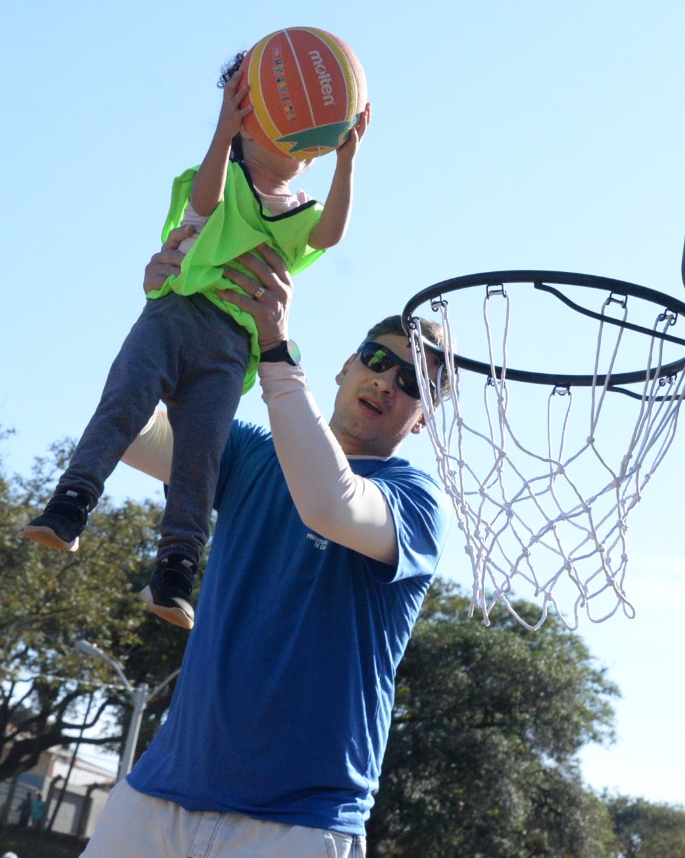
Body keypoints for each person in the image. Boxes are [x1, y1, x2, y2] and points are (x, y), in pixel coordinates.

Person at [77, 236, 449, 858]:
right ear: (344, 367)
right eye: (376, 359)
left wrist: (276, 352)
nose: (387, 382)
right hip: (157, 794)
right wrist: (167, 322)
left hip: (298, 823)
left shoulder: (415, 501)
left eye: (413, 383)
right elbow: (129, 429)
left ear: (423, 420)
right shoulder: (250, 451)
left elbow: (329, 503)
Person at [22, 46, 372, 631]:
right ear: (247, 126)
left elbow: (333, 235)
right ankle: (71, 502)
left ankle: (177, 570)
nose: (294, 150)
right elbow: (204, 202)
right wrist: (223, 130)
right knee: (125, 403)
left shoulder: (300, 215)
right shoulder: (215, 175)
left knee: (199, 458)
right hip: (173, 317)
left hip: (230, 351)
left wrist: (348, 160)